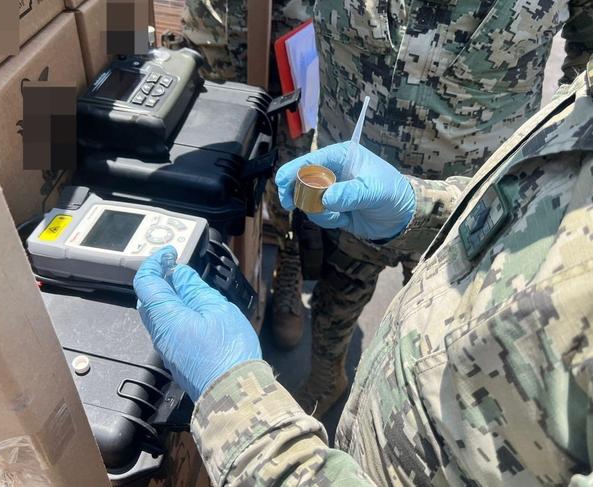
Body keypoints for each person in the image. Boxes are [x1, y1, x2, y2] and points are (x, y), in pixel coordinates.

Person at [134, 60, 593, 485]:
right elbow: (543, 204)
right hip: (373, 427)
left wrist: (238, 408)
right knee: (336, 299)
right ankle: (328, 380)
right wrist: (425, 210)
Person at [292, 0, 593, 417]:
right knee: (335, 298)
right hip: (352, 186)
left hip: (479, 206)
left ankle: (408, 420)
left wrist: (557, 153)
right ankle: (327, 379)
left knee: (446, 338)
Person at [175, 0, 315, 349]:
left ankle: (290, 257)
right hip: (217, 32)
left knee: (290, 169)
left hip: (293, 34)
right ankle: (213, 268)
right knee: (212, 163)